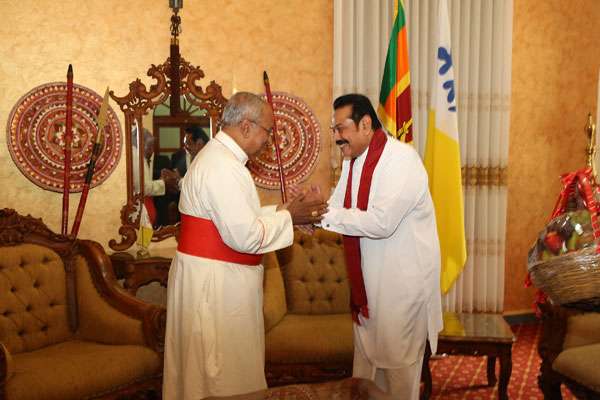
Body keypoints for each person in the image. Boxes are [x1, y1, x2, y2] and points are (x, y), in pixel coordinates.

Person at [162, 92, 328, 400]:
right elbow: (246, 237)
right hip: (216, 287)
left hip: (213, 279)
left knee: (210, 370)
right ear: (247, 126)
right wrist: (291, 215)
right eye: (268, 130)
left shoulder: (219, 158)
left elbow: (239, 221)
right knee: (220, 376)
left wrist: (284, 211)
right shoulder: (224, 166)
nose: (270, 139)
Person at [318, 93, 443, 399]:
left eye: (341, 128)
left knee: (399, 375)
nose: (336, 137)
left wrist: (325, 215)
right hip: (368, 289)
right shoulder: (352, 162)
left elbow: (380, 223)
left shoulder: (402, 160)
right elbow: (334, 209)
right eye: (334, 129)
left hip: (401, 288)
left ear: (364, 124)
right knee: (367, 374)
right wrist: (311, 211)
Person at [131, 127, 178, 228]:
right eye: (150, 147)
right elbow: (144, 188)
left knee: (144, 240)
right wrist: (164, 182)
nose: (151, 151)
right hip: (142, 209)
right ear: (141, 144)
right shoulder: (137, 158)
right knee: (144, 242)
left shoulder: (137, 156)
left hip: (146, 208)